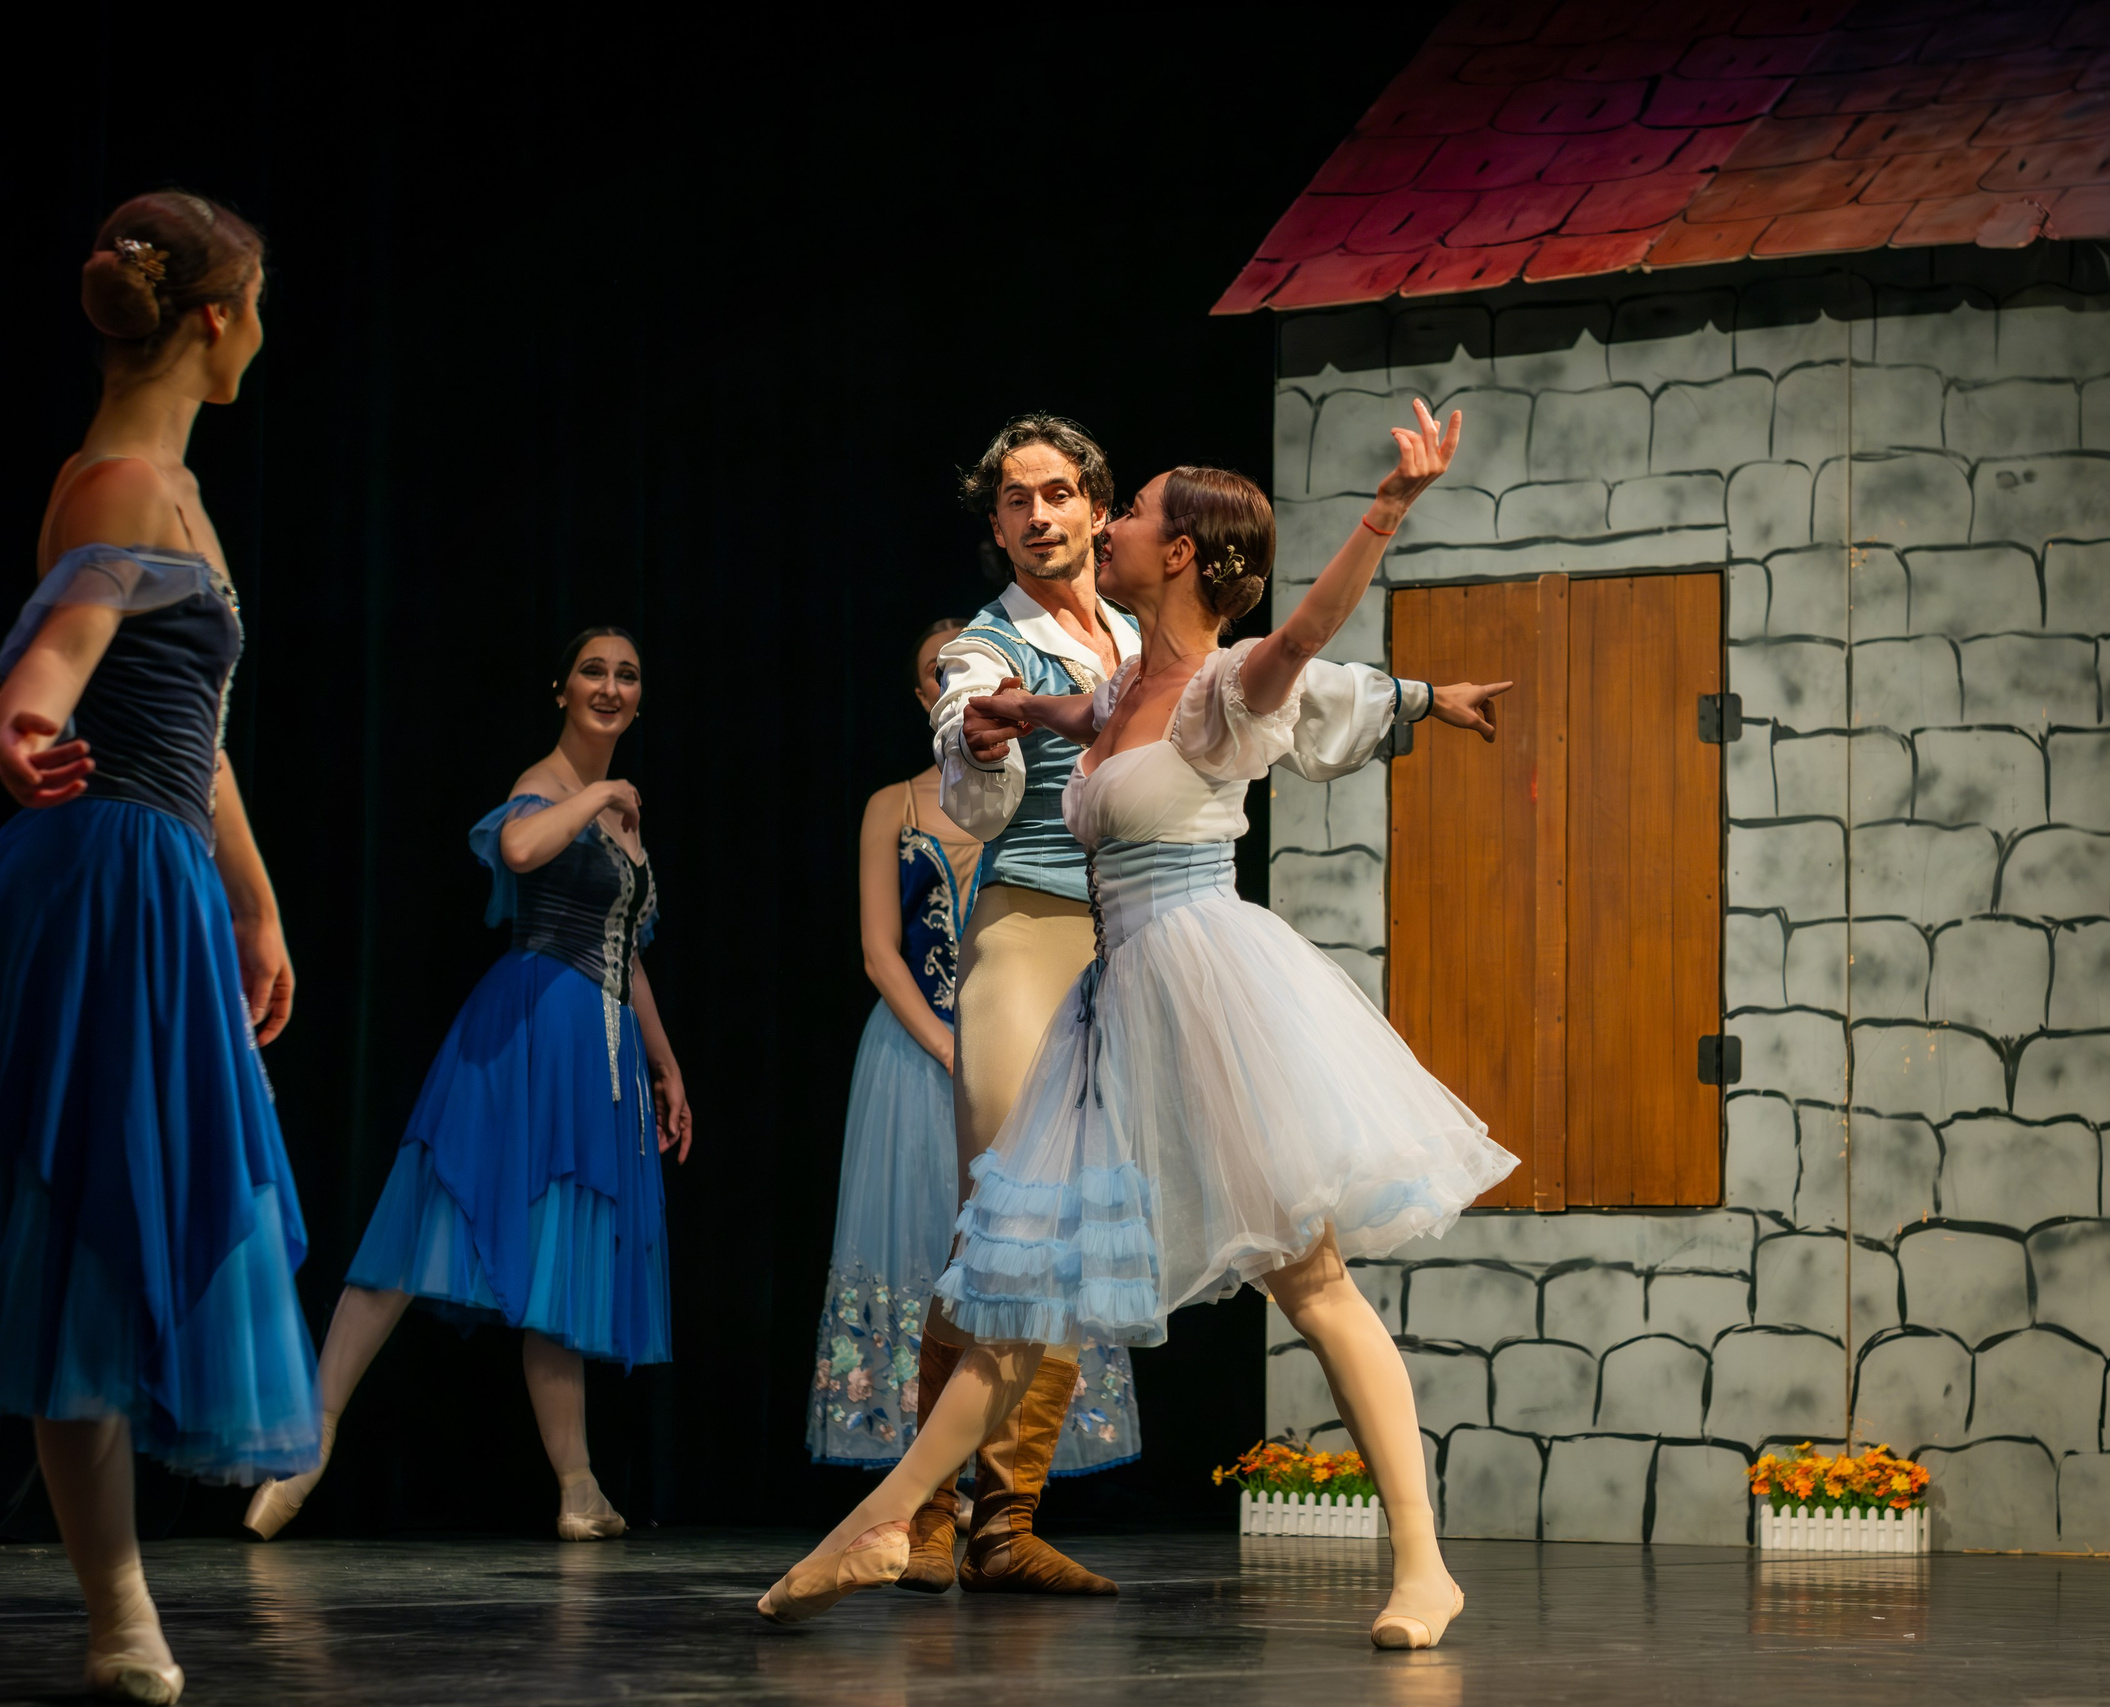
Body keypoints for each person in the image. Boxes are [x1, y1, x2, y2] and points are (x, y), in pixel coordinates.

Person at [759, 400, 1517, 1650]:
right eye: (1028, 499)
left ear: (1171, 550)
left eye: (1116, 507)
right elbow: (1012, 719)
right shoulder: (1106, 681)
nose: (1088, 523)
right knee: (1023, 1263)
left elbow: (1309, 650)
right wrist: (992, 722)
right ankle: (894, 1521)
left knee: (1309, 1278)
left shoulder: (1218, 681)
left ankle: (1424, 1565)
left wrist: (1388, 523)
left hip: (1205, 987)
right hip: (1097, 986)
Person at [0, 191, 316, 1705]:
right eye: (256, 308)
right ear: (213, 317)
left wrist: (255, 903)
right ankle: (119, 1609)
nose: (261, 334)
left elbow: (203, 732)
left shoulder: (178, 494)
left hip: (170, 874)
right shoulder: (120, 486)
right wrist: (25, 724)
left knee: (138, 1208)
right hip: (109, 877)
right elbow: (56, 650)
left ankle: (122, 1604)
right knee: (90, 1221)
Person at [242, 627, 693, 1543]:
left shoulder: (618, 817)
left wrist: (665, 1061)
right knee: (421, 1224)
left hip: (595, 1049)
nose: (610, 687)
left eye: (627, 675)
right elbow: (518, 848)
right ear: (562, 688)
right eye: (594, 671)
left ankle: (578, 1485)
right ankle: (307, 1441)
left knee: (560, 1262)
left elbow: (626, 954)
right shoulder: (551, 783)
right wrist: (599, 792)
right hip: (526, 1032)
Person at [806, 618, 1139, 1474]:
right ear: (925, 693)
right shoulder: (893, 804)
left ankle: (1005, 1474)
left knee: (1028, 1234)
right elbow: (879, 952)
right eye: (939, 671)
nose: (956, 681)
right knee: (929, 1238)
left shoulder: (1046, 798)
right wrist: (949, 1046)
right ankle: (923, 1470)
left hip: (1029, 1040)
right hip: (913, 1053)